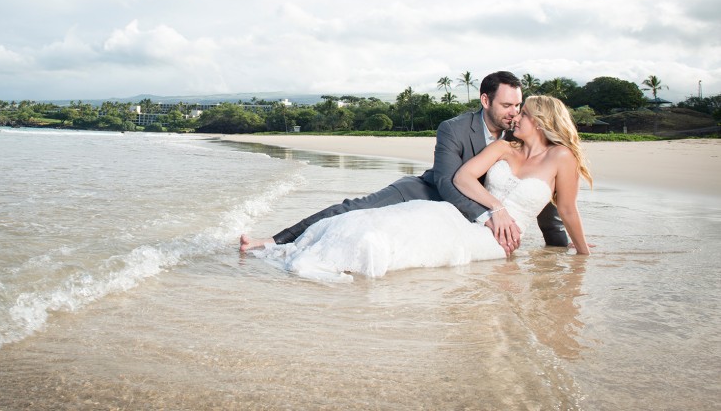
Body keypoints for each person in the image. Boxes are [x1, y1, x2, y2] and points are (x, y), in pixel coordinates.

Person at [247, 95, 592, 281]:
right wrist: (495, 210)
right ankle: (292, 244)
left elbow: (565, 210)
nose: (516, 116)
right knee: (382, 216)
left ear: (542, 121)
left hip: (494, 237)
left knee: (413, 245)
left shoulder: (561, 157)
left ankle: (349, 258)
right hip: (459, 209)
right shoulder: (502, 146)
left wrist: (582, 256)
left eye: (524, 112)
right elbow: (459, 179)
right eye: (513, 109)